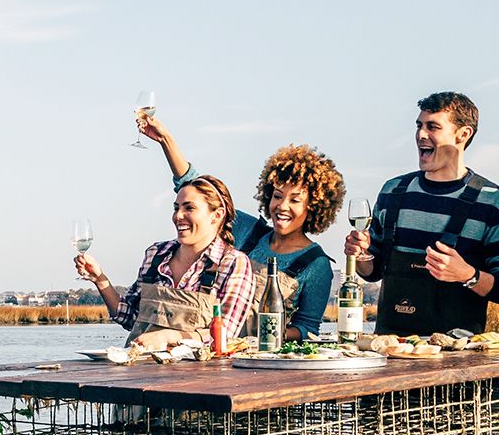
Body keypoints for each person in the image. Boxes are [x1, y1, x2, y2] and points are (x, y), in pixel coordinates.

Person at [140, 115, 347, 341]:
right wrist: (166, 141)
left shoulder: (316, 265)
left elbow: (307, 328)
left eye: (295, 200)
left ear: (314, 207)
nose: (282, 206)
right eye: (277, 196)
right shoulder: (247, 231)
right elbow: (198, 190)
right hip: (209, 351)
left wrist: (267, 333)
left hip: (259, 359)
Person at [344, 90, 499, 335]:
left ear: (463, 134)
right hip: (389, 350)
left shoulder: (496, 204)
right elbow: (373, 272)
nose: (421, 134)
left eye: (433, 127)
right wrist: (361, 255)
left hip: (457, 358)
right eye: (419, 125)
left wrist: (467, 275)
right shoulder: (393, 191)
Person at [73, 173, 257, 351]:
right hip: (140, 371)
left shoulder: (233, 263)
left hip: (198, 378)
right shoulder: (156, 254)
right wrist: (100, 279)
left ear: (216, 216)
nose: (178, 216)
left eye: (189, 208)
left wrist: (170, 337)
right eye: (176, 208)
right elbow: (130, 317)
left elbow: (225, 336)